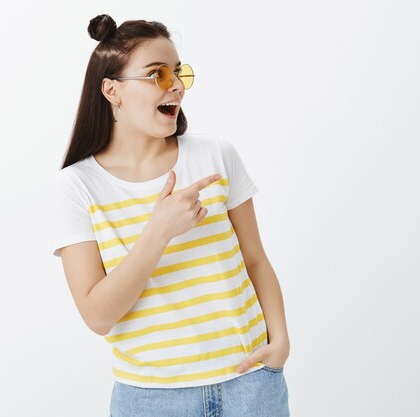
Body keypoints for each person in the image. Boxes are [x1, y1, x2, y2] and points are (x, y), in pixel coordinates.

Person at [49, 14, 291, 417]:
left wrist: (279, 344)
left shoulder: (216, 154)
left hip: (250, 384)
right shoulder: (77, 187)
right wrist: (158, 231)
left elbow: (255, 259)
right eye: (157, 74)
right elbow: (98, 316)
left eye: (178, 73)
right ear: (112, 90)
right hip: (151, 399)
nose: (176, 86)